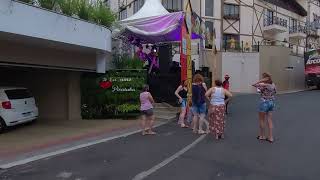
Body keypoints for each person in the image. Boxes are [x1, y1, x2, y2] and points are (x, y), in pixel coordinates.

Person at [252, 73, 276, 143]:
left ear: (265, 78)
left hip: (264, 103)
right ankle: (271, 137)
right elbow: (275, 92)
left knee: (262, 120)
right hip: (271, 102)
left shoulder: (263, 85)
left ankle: (262, 136)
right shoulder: (273, 85)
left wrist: (260, 81)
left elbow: (254, 84)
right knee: (270, 120)